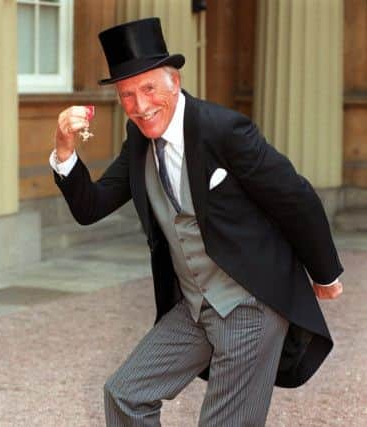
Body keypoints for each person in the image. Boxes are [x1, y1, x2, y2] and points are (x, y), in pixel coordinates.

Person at [50, 17, 343, 427]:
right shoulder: (137, 143)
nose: (140, 105)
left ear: (174, 81)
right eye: (127, 95)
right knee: (125, 394)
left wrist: (325, 275)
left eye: (149, 88)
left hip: (250, 302)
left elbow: (295, 198)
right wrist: (65, 151)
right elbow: (91, 207)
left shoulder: (223, 129)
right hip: (194, 306)